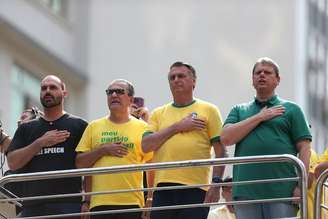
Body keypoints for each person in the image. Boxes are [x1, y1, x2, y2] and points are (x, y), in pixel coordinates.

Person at [220, 57, 312, 219]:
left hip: (282, 192)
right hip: (246, 192)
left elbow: (304, 147)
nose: (262, 75)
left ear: (278, 80)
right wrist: (260, 117)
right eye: (258, 72)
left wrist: (300, 185)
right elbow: (226, 138)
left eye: (267, 72)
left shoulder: (291, 109)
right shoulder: (239, 110)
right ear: (252, 80)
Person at [142, 61, 226, 219]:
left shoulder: (209, 110)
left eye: (181, 76)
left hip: (196, 188)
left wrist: (216, 183)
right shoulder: (158, 113)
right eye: (172, 77)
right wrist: (178, 126)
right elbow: (146, 145)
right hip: (163, 189)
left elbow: (221, 150)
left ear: (193, 81)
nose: (176, 79)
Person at [6, 75, 88, 217]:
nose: (47, 91)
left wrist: (87, 201)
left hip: (68, 205)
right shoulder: (26, 128)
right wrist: (40, 143)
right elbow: (13, 163)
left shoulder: (79, 125)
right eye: (44, 88)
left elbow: (89, 166)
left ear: (64, 93)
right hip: (32, 206)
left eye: (53, 87)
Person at [75, 79, 153, 219]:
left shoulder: (143, 128)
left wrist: (150, 199)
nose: (114, 95)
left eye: (119, 91)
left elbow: (151, 166)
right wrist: (102, 150)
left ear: (130, 99)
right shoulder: (94, 126)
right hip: (99, 205)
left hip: (133, 204)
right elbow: (81, 164)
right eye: (110, 92)